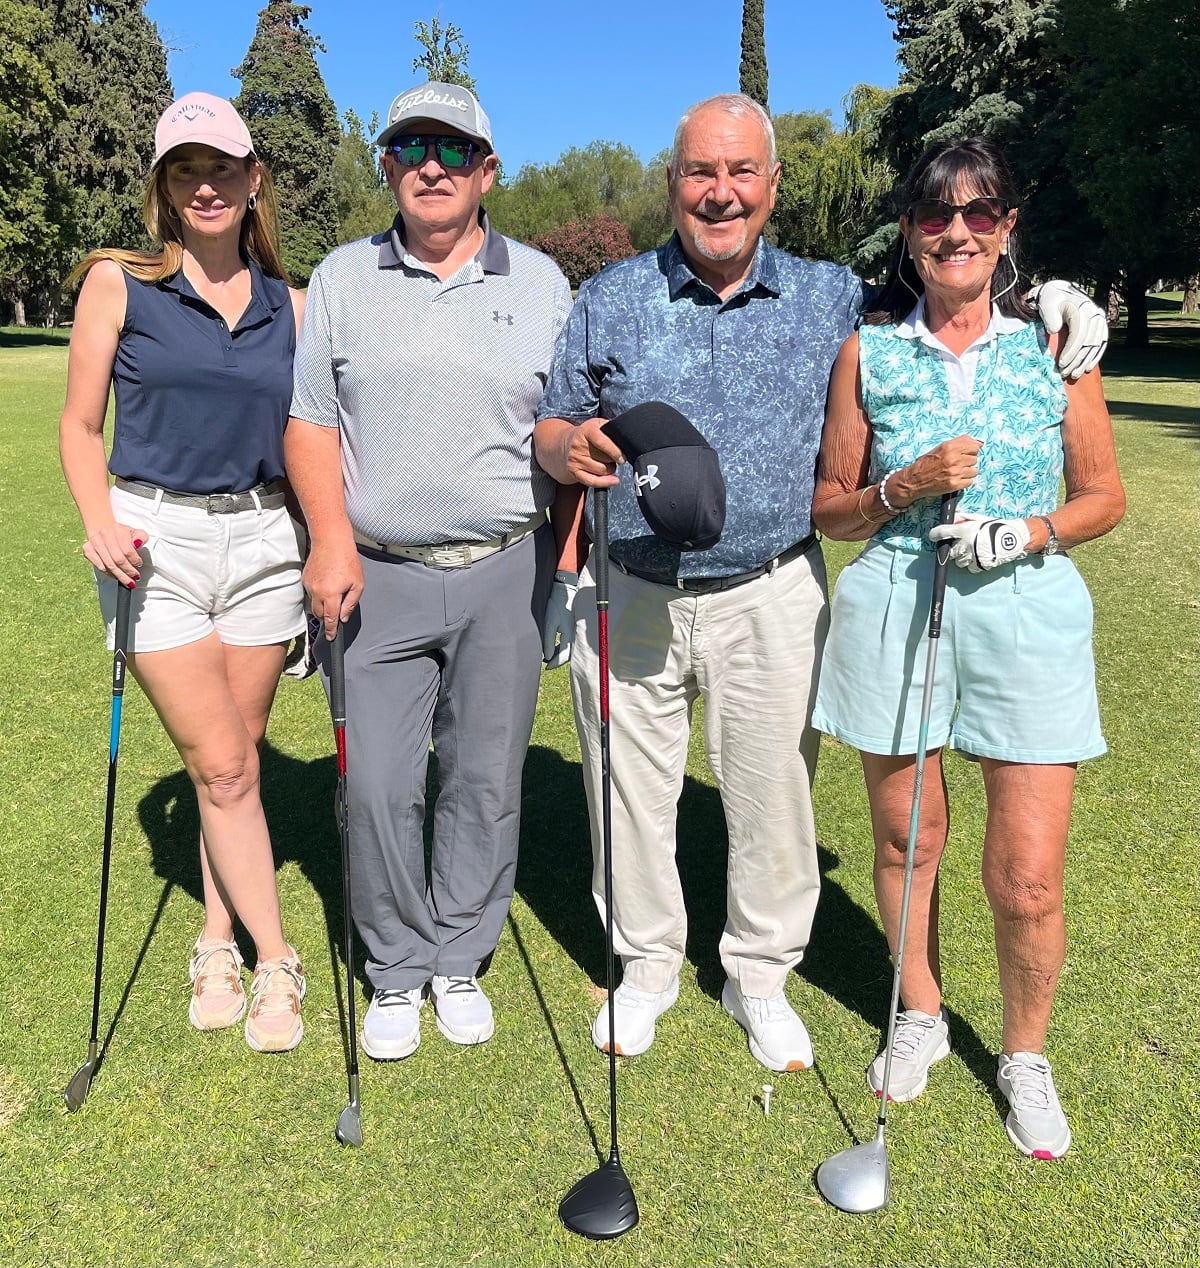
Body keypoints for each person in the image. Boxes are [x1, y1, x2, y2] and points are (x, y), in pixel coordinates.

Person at [533, 94, 1109, 1075]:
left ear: (772, 184)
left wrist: (1054, 295)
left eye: (741, 172)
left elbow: (950, 296)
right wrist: (570, 445)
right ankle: (646, 967)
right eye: (700, 174)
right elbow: (553, 421)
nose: (720, 193)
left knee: (772, 802)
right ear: (672, 183)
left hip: (770, 586)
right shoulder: (613, 294)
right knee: (627, 794)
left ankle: (757, 975)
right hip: (631, 586)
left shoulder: (833, 296)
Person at [810, 136, 1125, 1159]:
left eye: (980, 214)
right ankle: (920, 1013)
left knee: (1026, 873)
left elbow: (1103, 496)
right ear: (909, 233)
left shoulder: (1055, 348)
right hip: (900, 599)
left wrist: (1027, 530)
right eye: (936, 216)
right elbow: (832, 507)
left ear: (1007, 231)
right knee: (908, 840)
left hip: (1025, 609)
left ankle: (1025, 1055)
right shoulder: (871, 351)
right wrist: (903, 486)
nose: (957, 232)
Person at [285, 81, 572, 1061]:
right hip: (375, 572)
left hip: (505, 568)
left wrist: (568, 551)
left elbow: (561, 430)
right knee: (377, 785)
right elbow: (311, 423)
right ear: (388, 164)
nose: (433, 167)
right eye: (413, 147)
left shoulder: (539, 283)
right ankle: (396, 967)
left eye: (454, 151)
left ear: (488, 171)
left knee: (484, 780)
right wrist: (326, 539)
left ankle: (458, 953)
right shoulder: (341, 278)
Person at [59, 93, 308, 1052]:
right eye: (183, 171)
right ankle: (276, 956)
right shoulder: (118, 284)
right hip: (151, 541)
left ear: (253, 182)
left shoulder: (294, 301)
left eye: (221, 169)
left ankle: (214, 936)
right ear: (164, 187)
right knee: (222, 766)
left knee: (232, 766)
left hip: (263, 543)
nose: (204, 186)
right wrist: (97, 520)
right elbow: (81, 428)